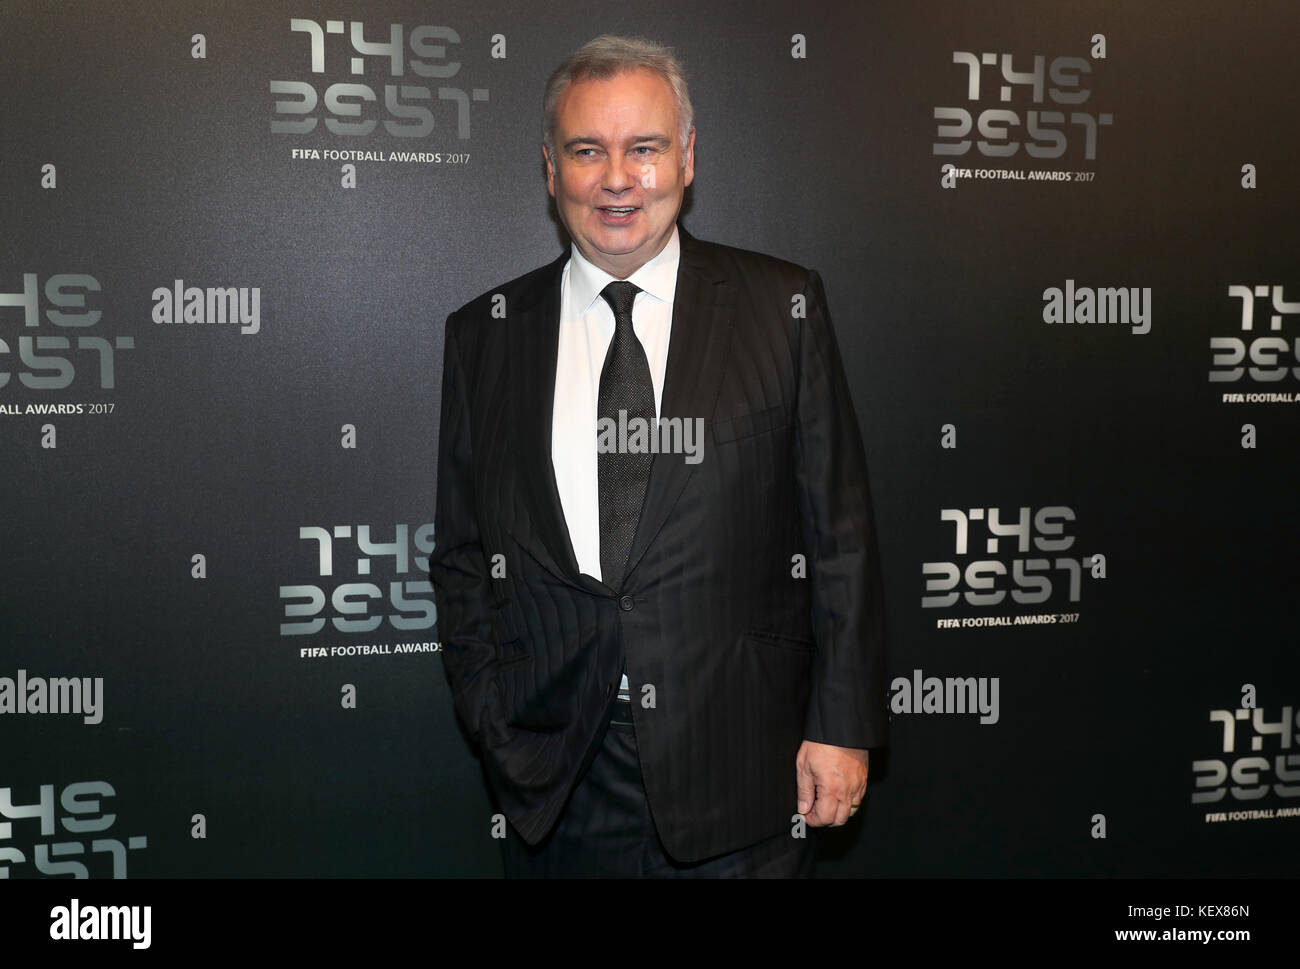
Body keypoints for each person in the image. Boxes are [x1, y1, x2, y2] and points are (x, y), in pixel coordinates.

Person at [430, 34, 886, 877]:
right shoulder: (483, 335)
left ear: (686, 158)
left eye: (643, 148)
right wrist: (493, 718)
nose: (616, 178)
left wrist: (842, 723)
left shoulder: (781, 306)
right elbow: (462, 553)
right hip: (557, 780)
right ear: (549, 166)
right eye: (586, 151)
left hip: (744, 772)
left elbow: (840, 537)